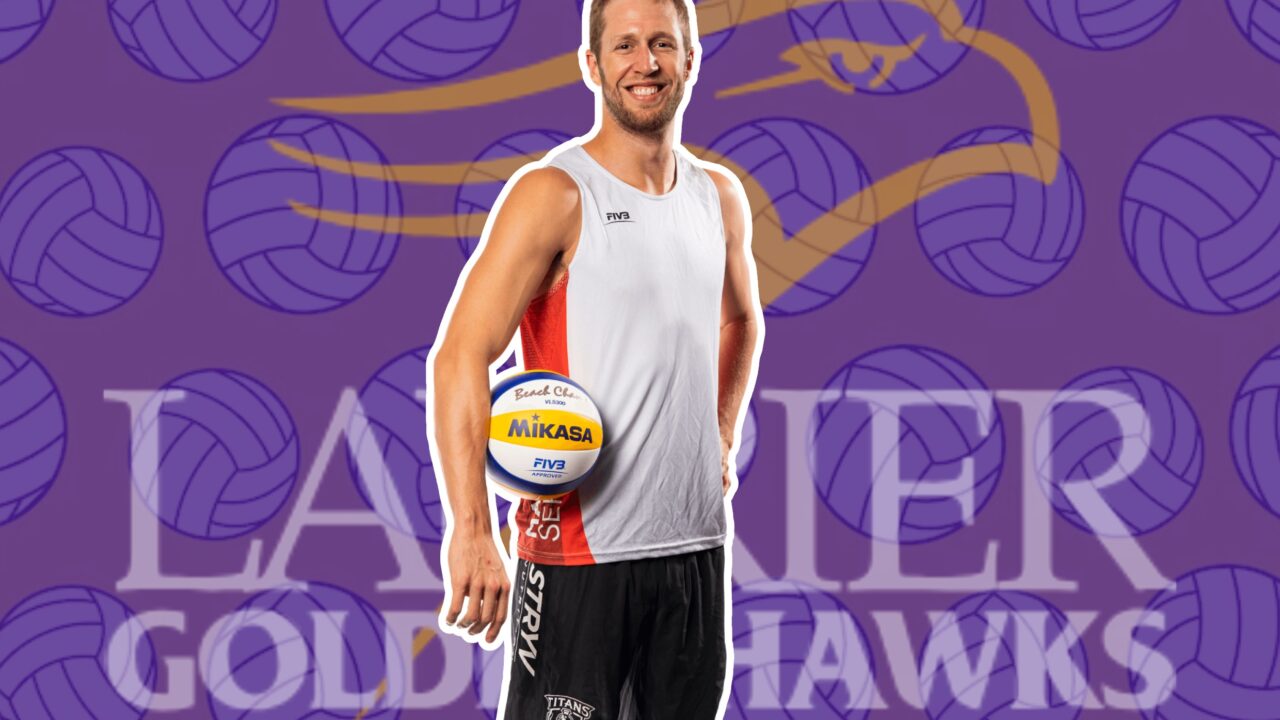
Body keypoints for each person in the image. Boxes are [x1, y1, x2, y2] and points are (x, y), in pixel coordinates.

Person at [428, 0, 762, 716]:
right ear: (592, 64)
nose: (646, 64)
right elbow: (460, 356)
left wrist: (722, 430)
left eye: (664, 45)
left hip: (694, 549)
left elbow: (740, 319)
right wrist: (472, 528)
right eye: (625, 46)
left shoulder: (720, 198)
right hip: (578, 559)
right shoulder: (554, 194)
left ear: (691, 59)